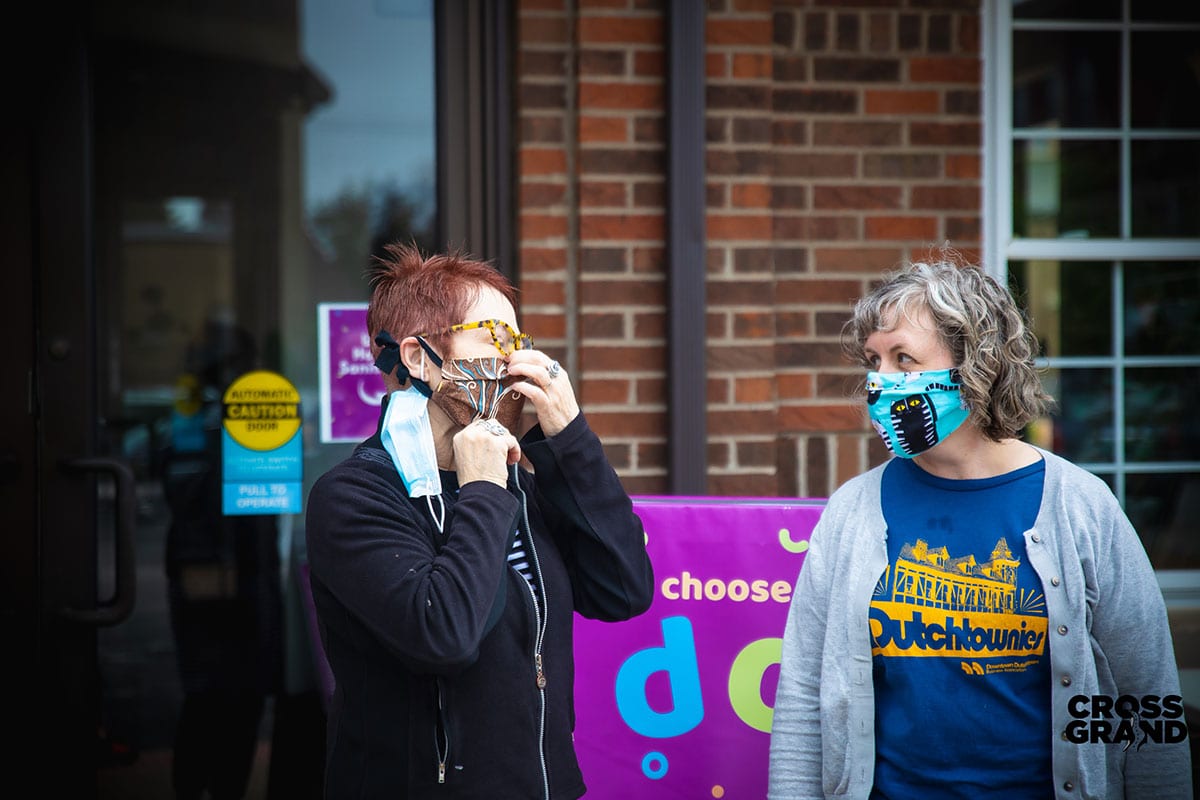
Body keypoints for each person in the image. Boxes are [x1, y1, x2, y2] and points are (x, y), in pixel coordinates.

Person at [768, 258, 1191, 799]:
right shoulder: (852, 510)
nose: (881, 381)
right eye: (874, 360)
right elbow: (804, 699)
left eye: (904, 358)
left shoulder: (1080, 505)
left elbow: (1145, 695)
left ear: (977, 364)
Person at [305, 243, 654, 799]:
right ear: (418, 359)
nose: (516, 359)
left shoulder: (523, 478)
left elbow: (624, 590)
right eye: (495, 335)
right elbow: (443, 636)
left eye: (520, 340)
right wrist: (484, 489)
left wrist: (569, 440)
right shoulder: (354, 496)